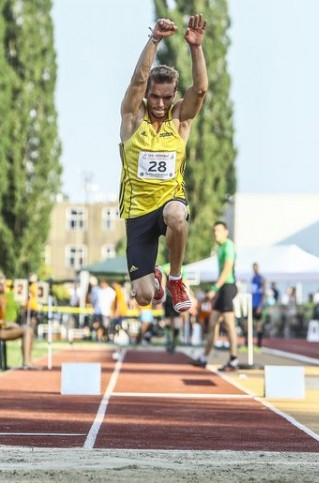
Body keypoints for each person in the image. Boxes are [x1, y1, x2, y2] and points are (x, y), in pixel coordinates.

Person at [118, 14, 208, 314]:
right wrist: (154, 40)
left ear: (173, 96)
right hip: (137, 213)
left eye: (166, 98)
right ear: (147, 95)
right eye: (155, 97)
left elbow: (200, 90)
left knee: (177, 215)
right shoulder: (134, 117)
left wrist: (196, 48)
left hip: (169, 201)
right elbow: (137, 80)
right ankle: (154, 279)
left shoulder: (180, 118)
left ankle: (175, 277)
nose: (159, 104)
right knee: (143, 297)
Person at [193, 221, 239, 371]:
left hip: (228, 286)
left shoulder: (229, 246)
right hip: (222, 289)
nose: (215, 234)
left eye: (218, 231)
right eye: (214, 231)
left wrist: (214, 289)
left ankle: (233, 360)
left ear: (226, 232)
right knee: (212, 323)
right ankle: (204, 357)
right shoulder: (219, 249)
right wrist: (216, 290)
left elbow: (227, 270)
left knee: (229, 323)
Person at [0, 277, 35, 368]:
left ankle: (28, 361)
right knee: (26, 330)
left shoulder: (3, 299)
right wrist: (5, 323)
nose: (4, 287)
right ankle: (26, 362)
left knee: (29, 329)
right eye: (1, 284)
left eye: (4, 284)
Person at [250, 262, 264, 345]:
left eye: (256, 267)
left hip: (258, 305)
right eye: (254, 267)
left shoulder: (261, 279)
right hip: (252, 304)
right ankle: (247, 343)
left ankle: (259, 344)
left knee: (259, 324)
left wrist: (260, 306)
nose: (255, 269)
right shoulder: (253, 279)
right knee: (247, 323)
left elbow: (263, 293)